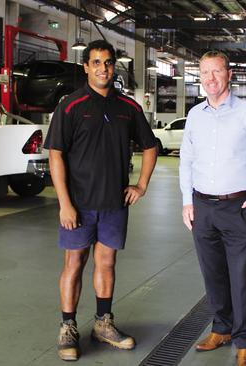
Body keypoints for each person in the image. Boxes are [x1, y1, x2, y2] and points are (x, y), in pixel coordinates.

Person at [44, 39, 158, 362]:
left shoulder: (129, 108)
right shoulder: (70, 106)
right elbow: (56, 157)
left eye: (108, 63)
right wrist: (65, 203)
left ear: (113, 66)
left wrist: (142, 186)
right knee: (74, 264)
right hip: (78, 205)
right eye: (96, 62)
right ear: (86, 67)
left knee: (107, 263)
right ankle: (68, 328)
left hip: (114, 203)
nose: (103, 68)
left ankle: (103, 324)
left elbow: (151, 147)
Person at [179, 50, 246, 366]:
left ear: (229, 74)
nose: (209, 79)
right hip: (202, 207)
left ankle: (244, 342)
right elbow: (186, 159)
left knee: (240, 276)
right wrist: (186, 200)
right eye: (204, 73)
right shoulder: (195, 114)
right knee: (213, 275)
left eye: (216, 72)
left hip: (236, 208)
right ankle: (221, 328)